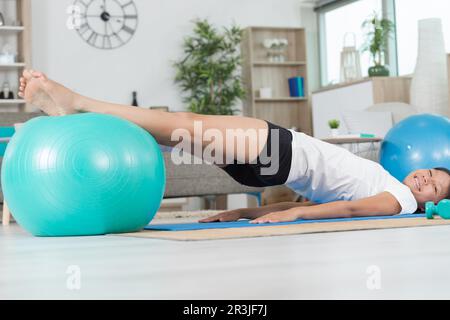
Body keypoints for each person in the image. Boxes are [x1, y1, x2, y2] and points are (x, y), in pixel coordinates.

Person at [18, 70, 450, 224]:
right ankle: (79, 113)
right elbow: (336, 196)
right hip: (267, 168)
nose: (426, 179)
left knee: (181, 124)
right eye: (431, 172)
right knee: (171, 134)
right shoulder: (391, 184)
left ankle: (77, 104)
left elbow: (350, 210)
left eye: (433, 188)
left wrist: (296, 211)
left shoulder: (398, 201)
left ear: (431, 204)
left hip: (277, 149)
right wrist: (249, 211)